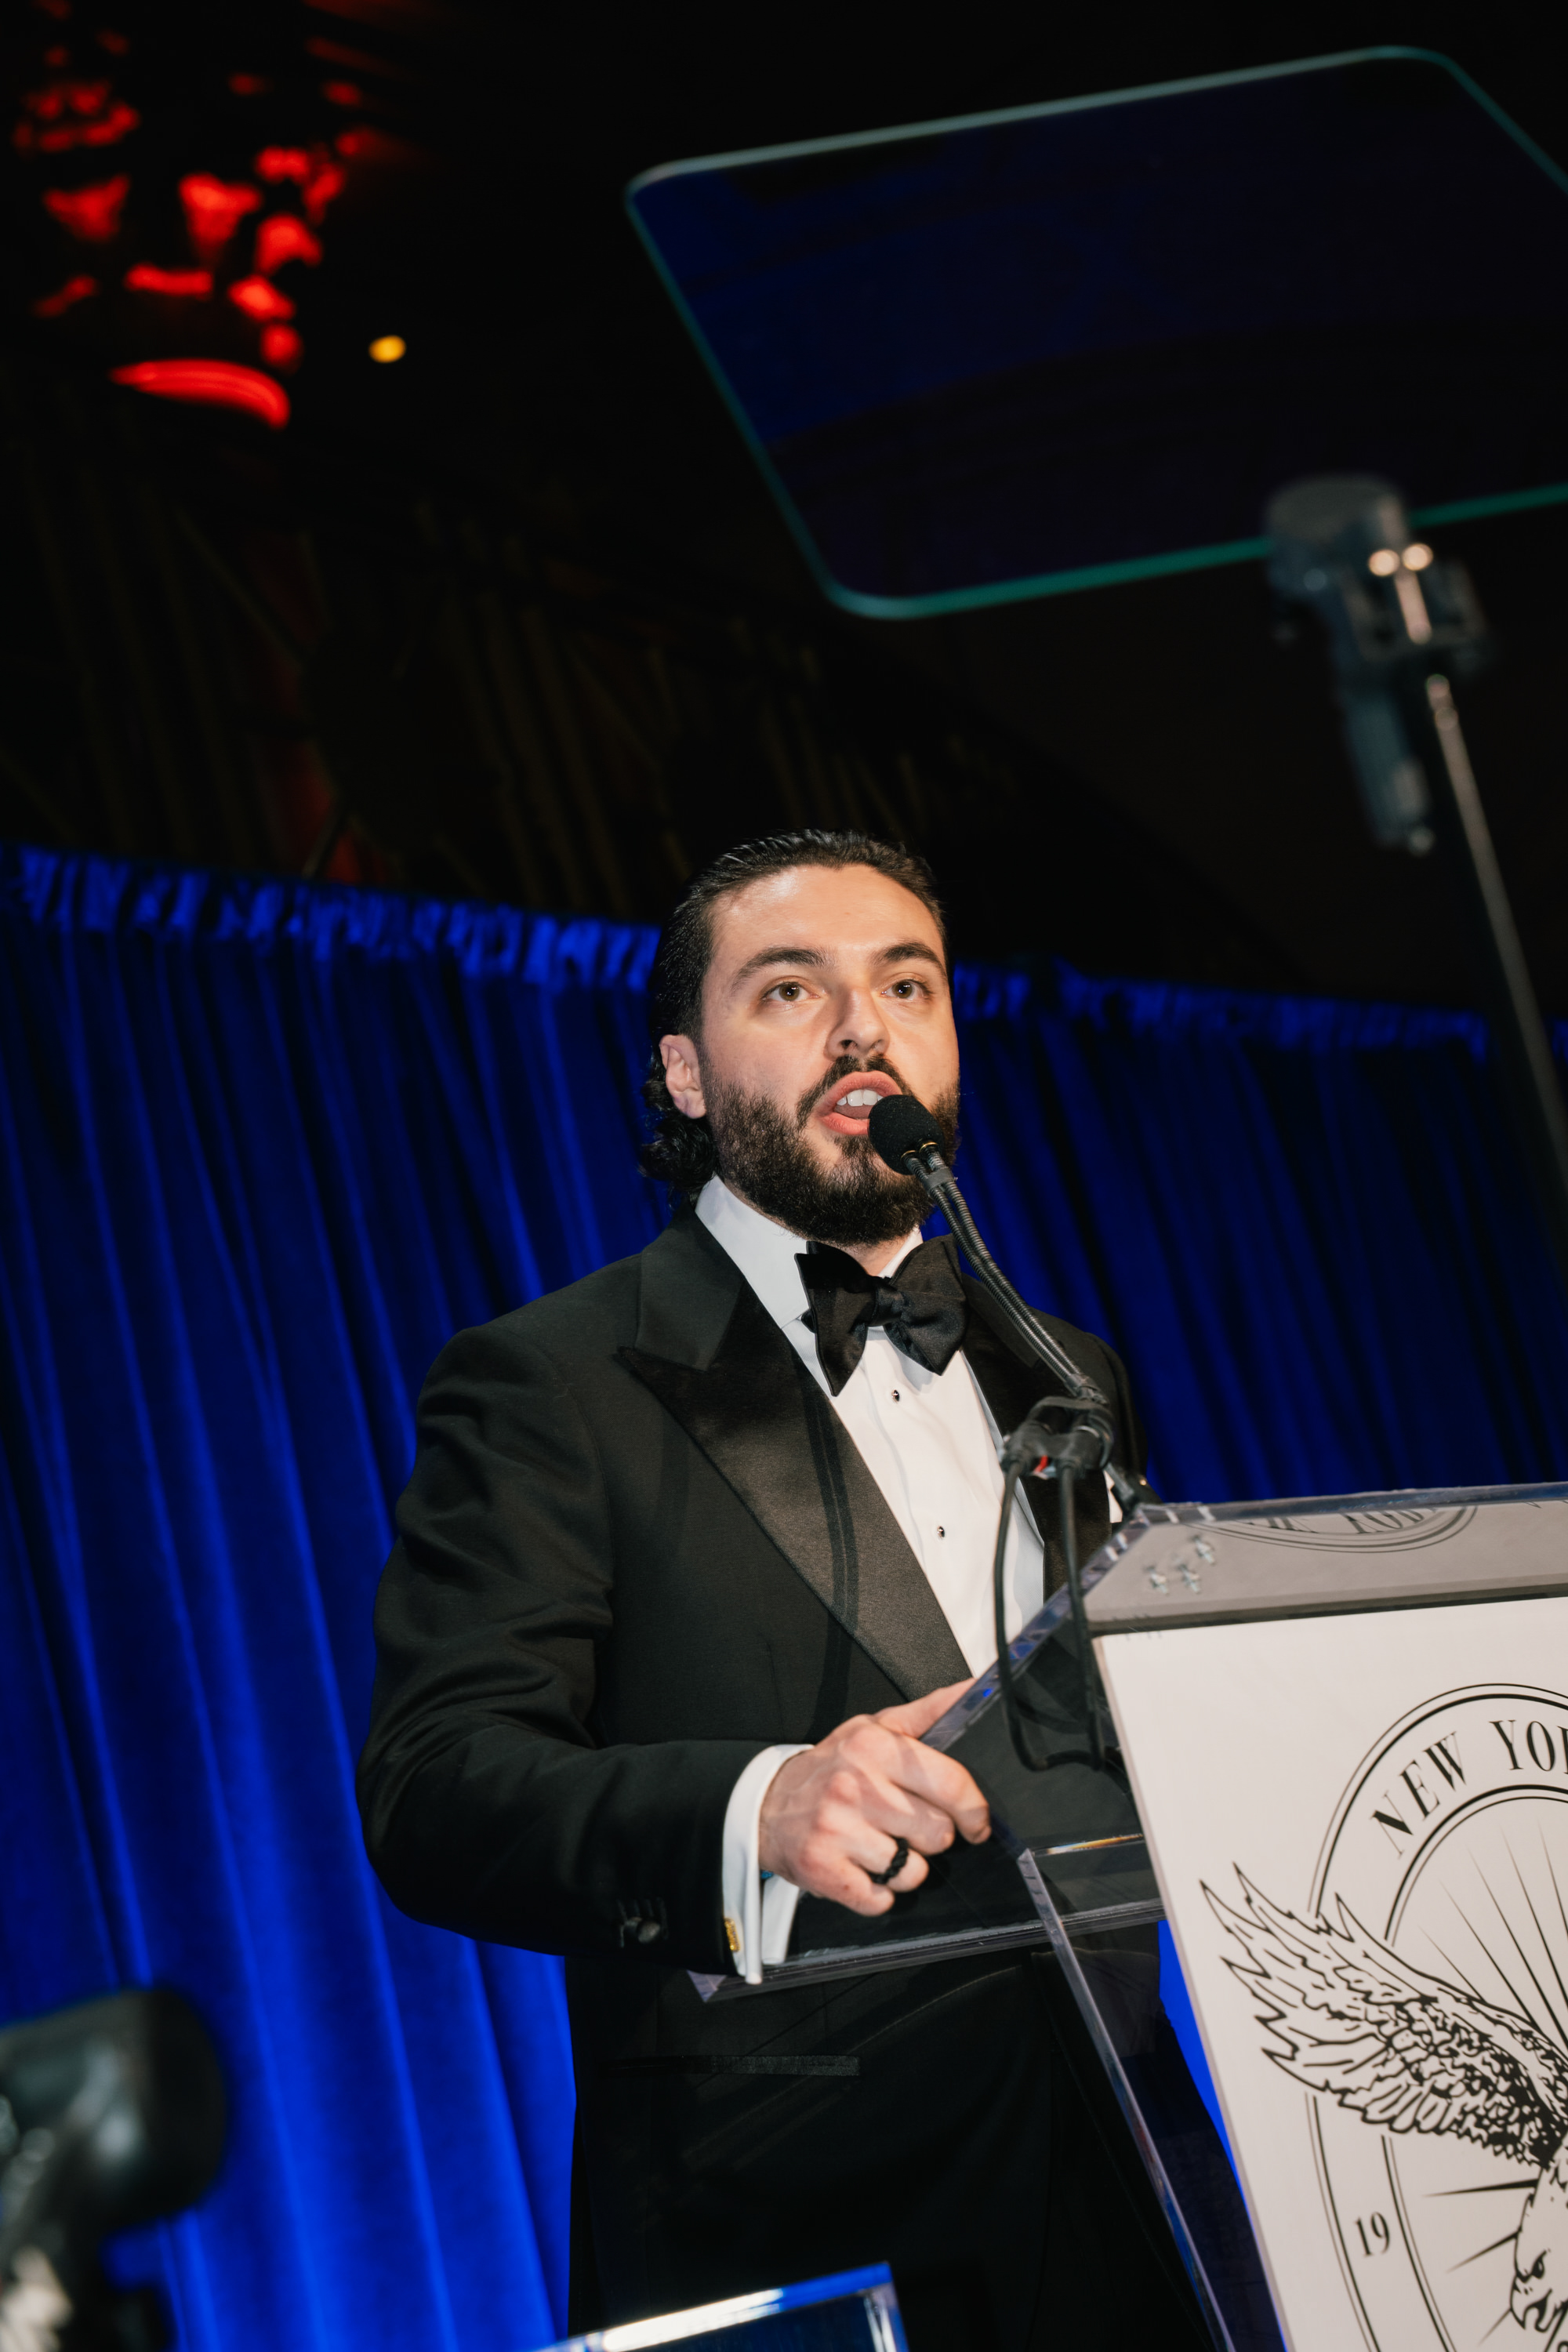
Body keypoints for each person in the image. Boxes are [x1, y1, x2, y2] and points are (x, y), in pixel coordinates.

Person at [358, 831, 1207, 2350]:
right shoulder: (547, 1380)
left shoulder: (1067, 1372)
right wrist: (762, 1807)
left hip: (1135, 2193)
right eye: (791, 989)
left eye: (906, 984)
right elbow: (438, 1789)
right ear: (686, 1074)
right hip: (792, 2216)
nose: (863, 1026)